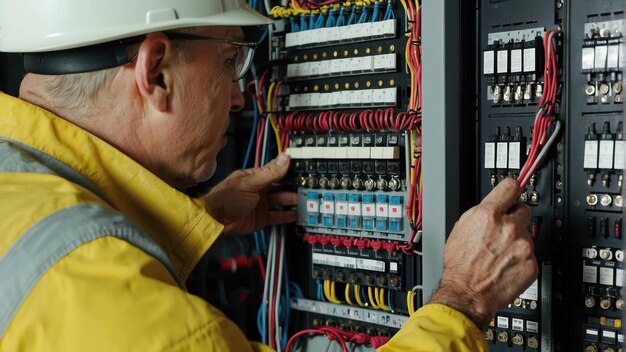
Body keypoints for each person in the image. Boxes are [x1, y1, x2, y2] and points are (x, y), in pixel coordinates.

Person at [0, 1, 537, 351]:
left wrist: (196, 218)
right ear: (156, 71)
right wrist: (464, 297)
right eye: (232, 61)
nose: (241, 97)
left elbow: (73, 253)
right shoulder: (155, 329)